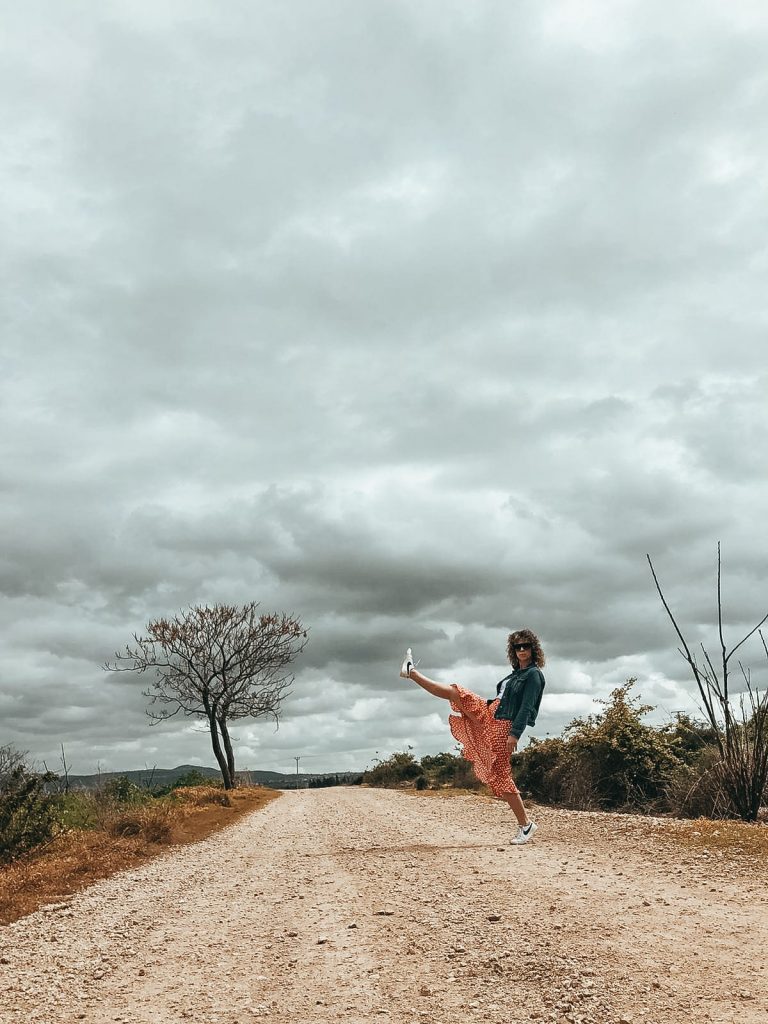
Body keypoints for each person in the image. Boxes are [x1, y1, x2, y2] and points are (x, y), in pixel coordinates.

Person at [399, 629, 546, 844]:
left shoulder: (533, 675)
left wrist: (514, 734)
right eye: (517, 647)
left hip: (503, 724)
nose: (522, 650)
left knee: (500, 773)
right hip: (490, 712)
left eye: (526, 646)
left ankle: (526, 825)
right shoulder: (516, 674)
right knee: (455, 692)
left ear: (534, 649)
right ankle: (411, 672)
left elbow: (526, 707)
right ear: (513, 651)